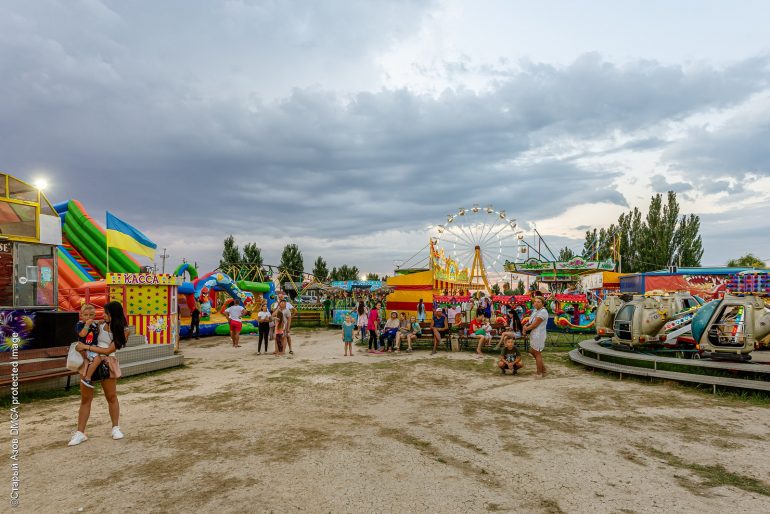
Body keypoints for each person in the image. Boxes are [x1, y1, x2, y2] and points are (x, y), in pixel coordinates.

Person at [69, 301, 128, 446]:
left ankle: (115, 427)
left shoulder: (123, 330)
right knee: (85, 398)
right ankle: (80, 432)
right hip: (89, 362)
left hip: (107, 362)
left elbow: (109, 350)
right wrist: (81, 347)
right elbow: (83, 335)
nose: (103, 315)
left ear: (113, 314)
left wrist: (86, 347)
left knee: (111, 396)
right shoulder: (98, 325)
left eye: (106, 312)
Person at [523, 296, 549, 378]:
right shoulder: (536, 311)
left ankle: (539, 373)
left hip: (539, 335)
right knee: (531, 351)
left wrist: (526, 329)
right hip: (534, 334)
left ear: (543, 303)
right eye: (535, 301)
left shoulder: (543, 312)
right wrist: (525, 325)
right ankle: (543, 369)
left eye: (539, 302)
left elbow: (535, 324)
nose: (536, 303)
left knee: (537, 353)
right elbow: (531, 321)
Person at [75, 304, 99, 377]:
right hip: (84, 348)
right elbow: (82, 334)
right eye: (86, 315)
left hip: (93, 347)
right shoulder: (80, 324)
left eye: (91, 315)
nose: (88, 317)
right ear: (81, 315)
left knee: (96, 359)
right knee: (97, 359)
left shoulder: (94, 324)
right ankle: (88, 377)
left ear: (94, 315)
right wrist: (87, 325)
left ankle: (87, 373)